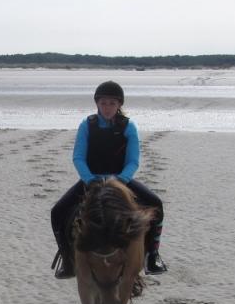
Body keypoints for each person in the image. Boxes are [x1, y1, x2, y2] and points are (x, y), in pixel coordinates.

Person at [50, 80, 165, 279]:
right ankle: (67, 259)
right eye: (103, 103)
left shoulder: (128, 127)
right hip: (91, 179)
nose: (108, 108)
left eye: (112, 103)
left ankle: (152, 256)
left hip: (121, 181)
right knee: (57, 211)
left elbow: (133, 160)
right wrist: (89, 179)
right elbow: (78, 157)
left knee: (156, 204)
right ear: (97, 104)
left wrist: (121, 179)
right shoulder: (87, 125)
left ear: (119, 105)